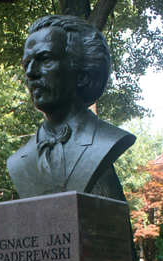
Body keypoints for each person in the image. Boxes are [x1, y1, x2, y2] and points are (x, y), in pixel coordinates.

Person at [7, 14, 136, 200]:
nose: (30, 73)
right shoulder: (17, 161)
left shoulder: (107, 140)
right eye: (27, 64)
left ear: (82, 73)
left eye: (46, 59)